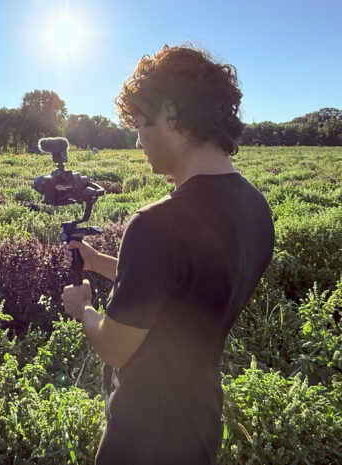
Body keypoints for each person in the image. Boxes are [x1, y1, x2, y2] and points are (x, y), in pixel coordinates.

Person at [61, 44, 275, 464]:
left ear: (172, 114)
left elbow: (115, 347)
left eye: (141, 123)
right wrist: (97, 261)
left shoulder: (156, 224)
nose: (137, 139)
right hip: (200, 420)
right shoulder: (255, 206)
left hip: (143, 434)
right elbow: (186, 283)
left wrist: (82, 308)